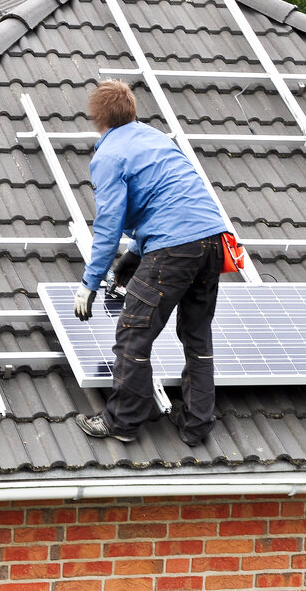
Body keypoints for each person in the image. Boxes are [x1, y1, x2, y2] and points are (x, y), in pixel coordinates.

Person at [73, 79, 227, 446]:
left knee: (133, 335)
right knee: (196, 335)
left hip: (174, 249)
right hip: (214, 241)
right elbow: (172, 202)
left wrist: (89, 282)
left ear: (97, 118)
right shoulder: (156, 138)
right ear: (132, 111)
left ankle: (123, 422)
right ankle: (195, 423)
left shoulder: (109, 156)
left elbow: (109, 224)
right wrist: (136, 253)